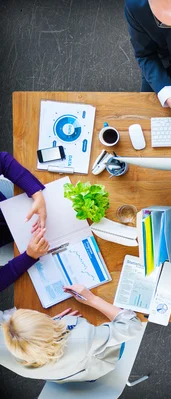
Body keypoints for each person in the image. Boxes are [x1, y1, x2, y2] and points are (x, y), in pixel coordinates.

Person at [0, 284, 142, 382]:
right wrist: (91, 299)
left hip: (61, 374)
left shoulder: (6, 348)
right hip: (93, 365)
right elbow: (132, 325)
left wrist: (48, 325)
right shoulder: (82, 337)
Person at [0, 152, 49, 292]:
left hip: (10, 206)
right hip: (11, 239)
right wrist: (29, 256)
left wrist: (36, 193)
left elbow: (3, 161)